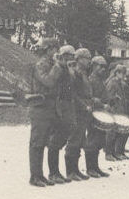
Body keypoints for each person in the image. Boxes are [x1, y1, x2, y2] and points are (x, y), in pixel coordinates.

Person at [27, 38, 64, 187]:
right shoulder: (42, 64)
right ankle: (35, 176)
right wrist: (57, 67)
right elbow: (48, 82)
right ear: (49, 49)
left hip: (49, 107)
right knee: (37, 143)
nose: (57, 52)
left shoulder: (51, 64)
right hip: (40, 107)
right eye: (56, 49)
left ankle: (40, 175)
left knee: (43, 142)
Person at [47, 44, 77, 183]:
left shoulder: (65, 68)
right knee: (56, 140)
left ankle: (57, 172)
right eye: (70, 56)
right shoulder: (58, 67)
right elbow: (51, 86)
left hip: (66, 106)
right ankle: (53, 173)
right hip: (59, 106)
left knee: (63, 136)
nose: (72, 59)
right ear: (64, 55)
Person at [65, 48, 93, 181]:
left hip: (84, 111)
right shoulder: (75, 73)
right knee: (74, 140)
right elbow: (74, 94)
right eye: (87, 58)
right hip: (77, 111)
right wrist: (84, 105)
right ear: (79, 59)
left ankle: (75, 169)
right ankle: (70, 171)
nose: (89, 61)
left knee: (80, 139)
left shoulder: (83, 73)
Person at [85, 55, 110, 178]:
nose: (103, 69)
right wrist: (101, 103)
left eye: (105, 67)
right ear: (94, 66)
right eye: (101, 66)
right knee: (92, 141)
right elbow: (89, 98)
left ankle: (95, 167)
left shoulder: (100, 80)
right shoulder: (91, 80)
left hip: (101, 114)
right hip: (93, 114)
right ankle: (90, 168)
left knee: (99, 140)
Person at [105, 64, 128, 161]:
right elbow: (108, 97)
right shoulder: (112, 82)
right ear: (117, 73)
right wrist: (115, 98)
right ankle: (108, 154)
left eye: (124, 73)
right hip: (113, 110)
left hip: (119, 110)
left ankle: (114, 153)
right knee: (111, 133)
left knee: (117, 132)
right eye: (122, 73)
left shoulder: (119, 83)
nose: (123, 75)